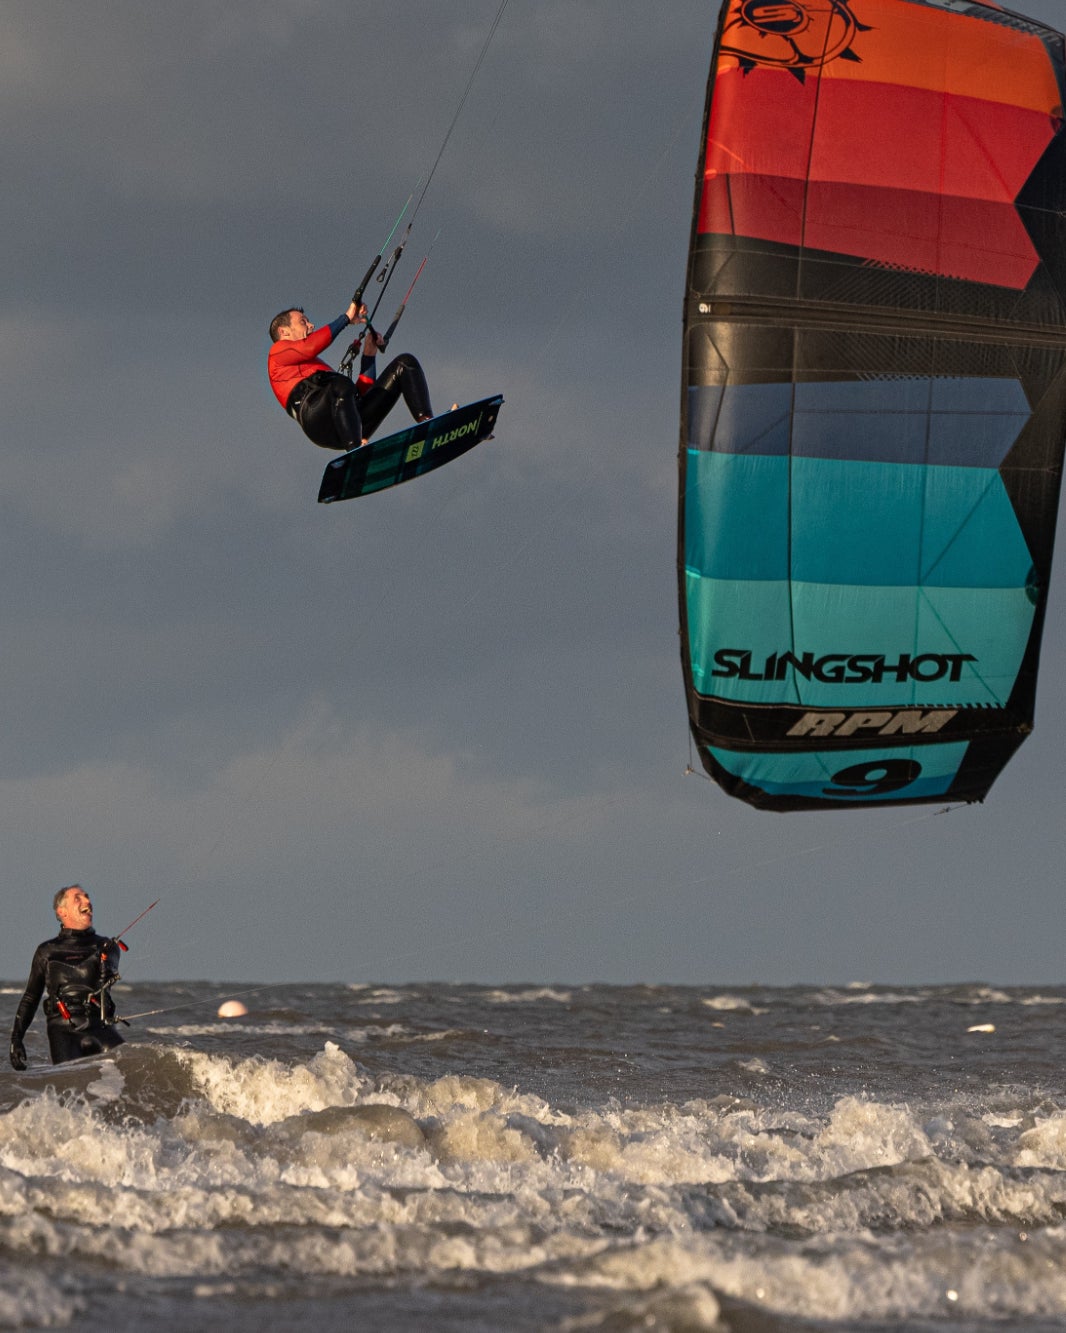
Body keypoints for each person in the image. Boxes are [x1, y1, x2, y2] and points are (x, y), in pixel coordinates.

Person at [267, 298, 433, 451]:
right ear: (284, 332)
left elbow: (359, 395)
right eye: (303, 322)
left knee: (405, 363)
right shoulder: (277, 353)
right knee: (341, 385)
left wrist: (369, 355)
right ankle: (355, 451)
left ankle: (428, 425)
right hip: (318, 421)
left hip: (352, 424)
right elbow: (310, 347)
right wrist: (346, 318)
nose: (311, 325)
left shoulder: (319, 367)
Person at [9, 885, 126, 1069]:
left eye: (87, 897)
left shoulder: (106, 946)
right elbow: (31, 997)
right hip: (63, 1030)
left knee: (131, 1069)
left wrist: (105, 958)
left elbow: (110, 971)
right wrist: (16, 1039)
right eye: (78, 898)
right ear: (62, 911)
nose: (87, 901)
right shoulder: (47, 951)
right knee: (69, 1082)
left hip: (100, 1026)